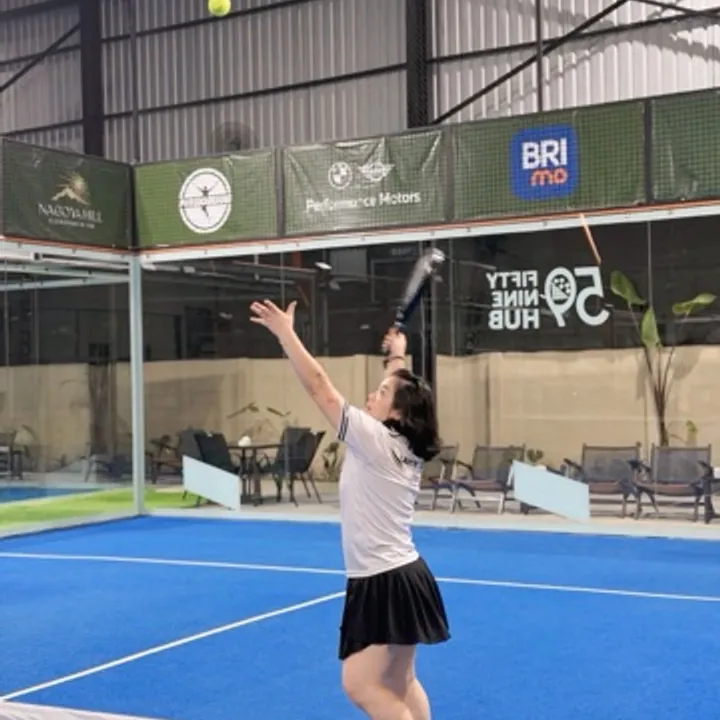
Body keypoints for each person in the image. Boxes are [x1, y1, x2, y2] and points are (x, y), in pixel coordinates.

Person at [250, 299, 450, 720]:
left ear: (397, 413)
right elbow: (399, 387)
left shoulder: (373, 439)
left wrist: (286, 334)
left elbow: (319, 387)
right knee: (399, 681)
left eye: (381, 394)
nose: (372, 396)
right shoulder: (404, 445)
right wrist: (397, 355)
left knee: (361, 685)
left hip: (382, 579)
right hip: (406, 574)